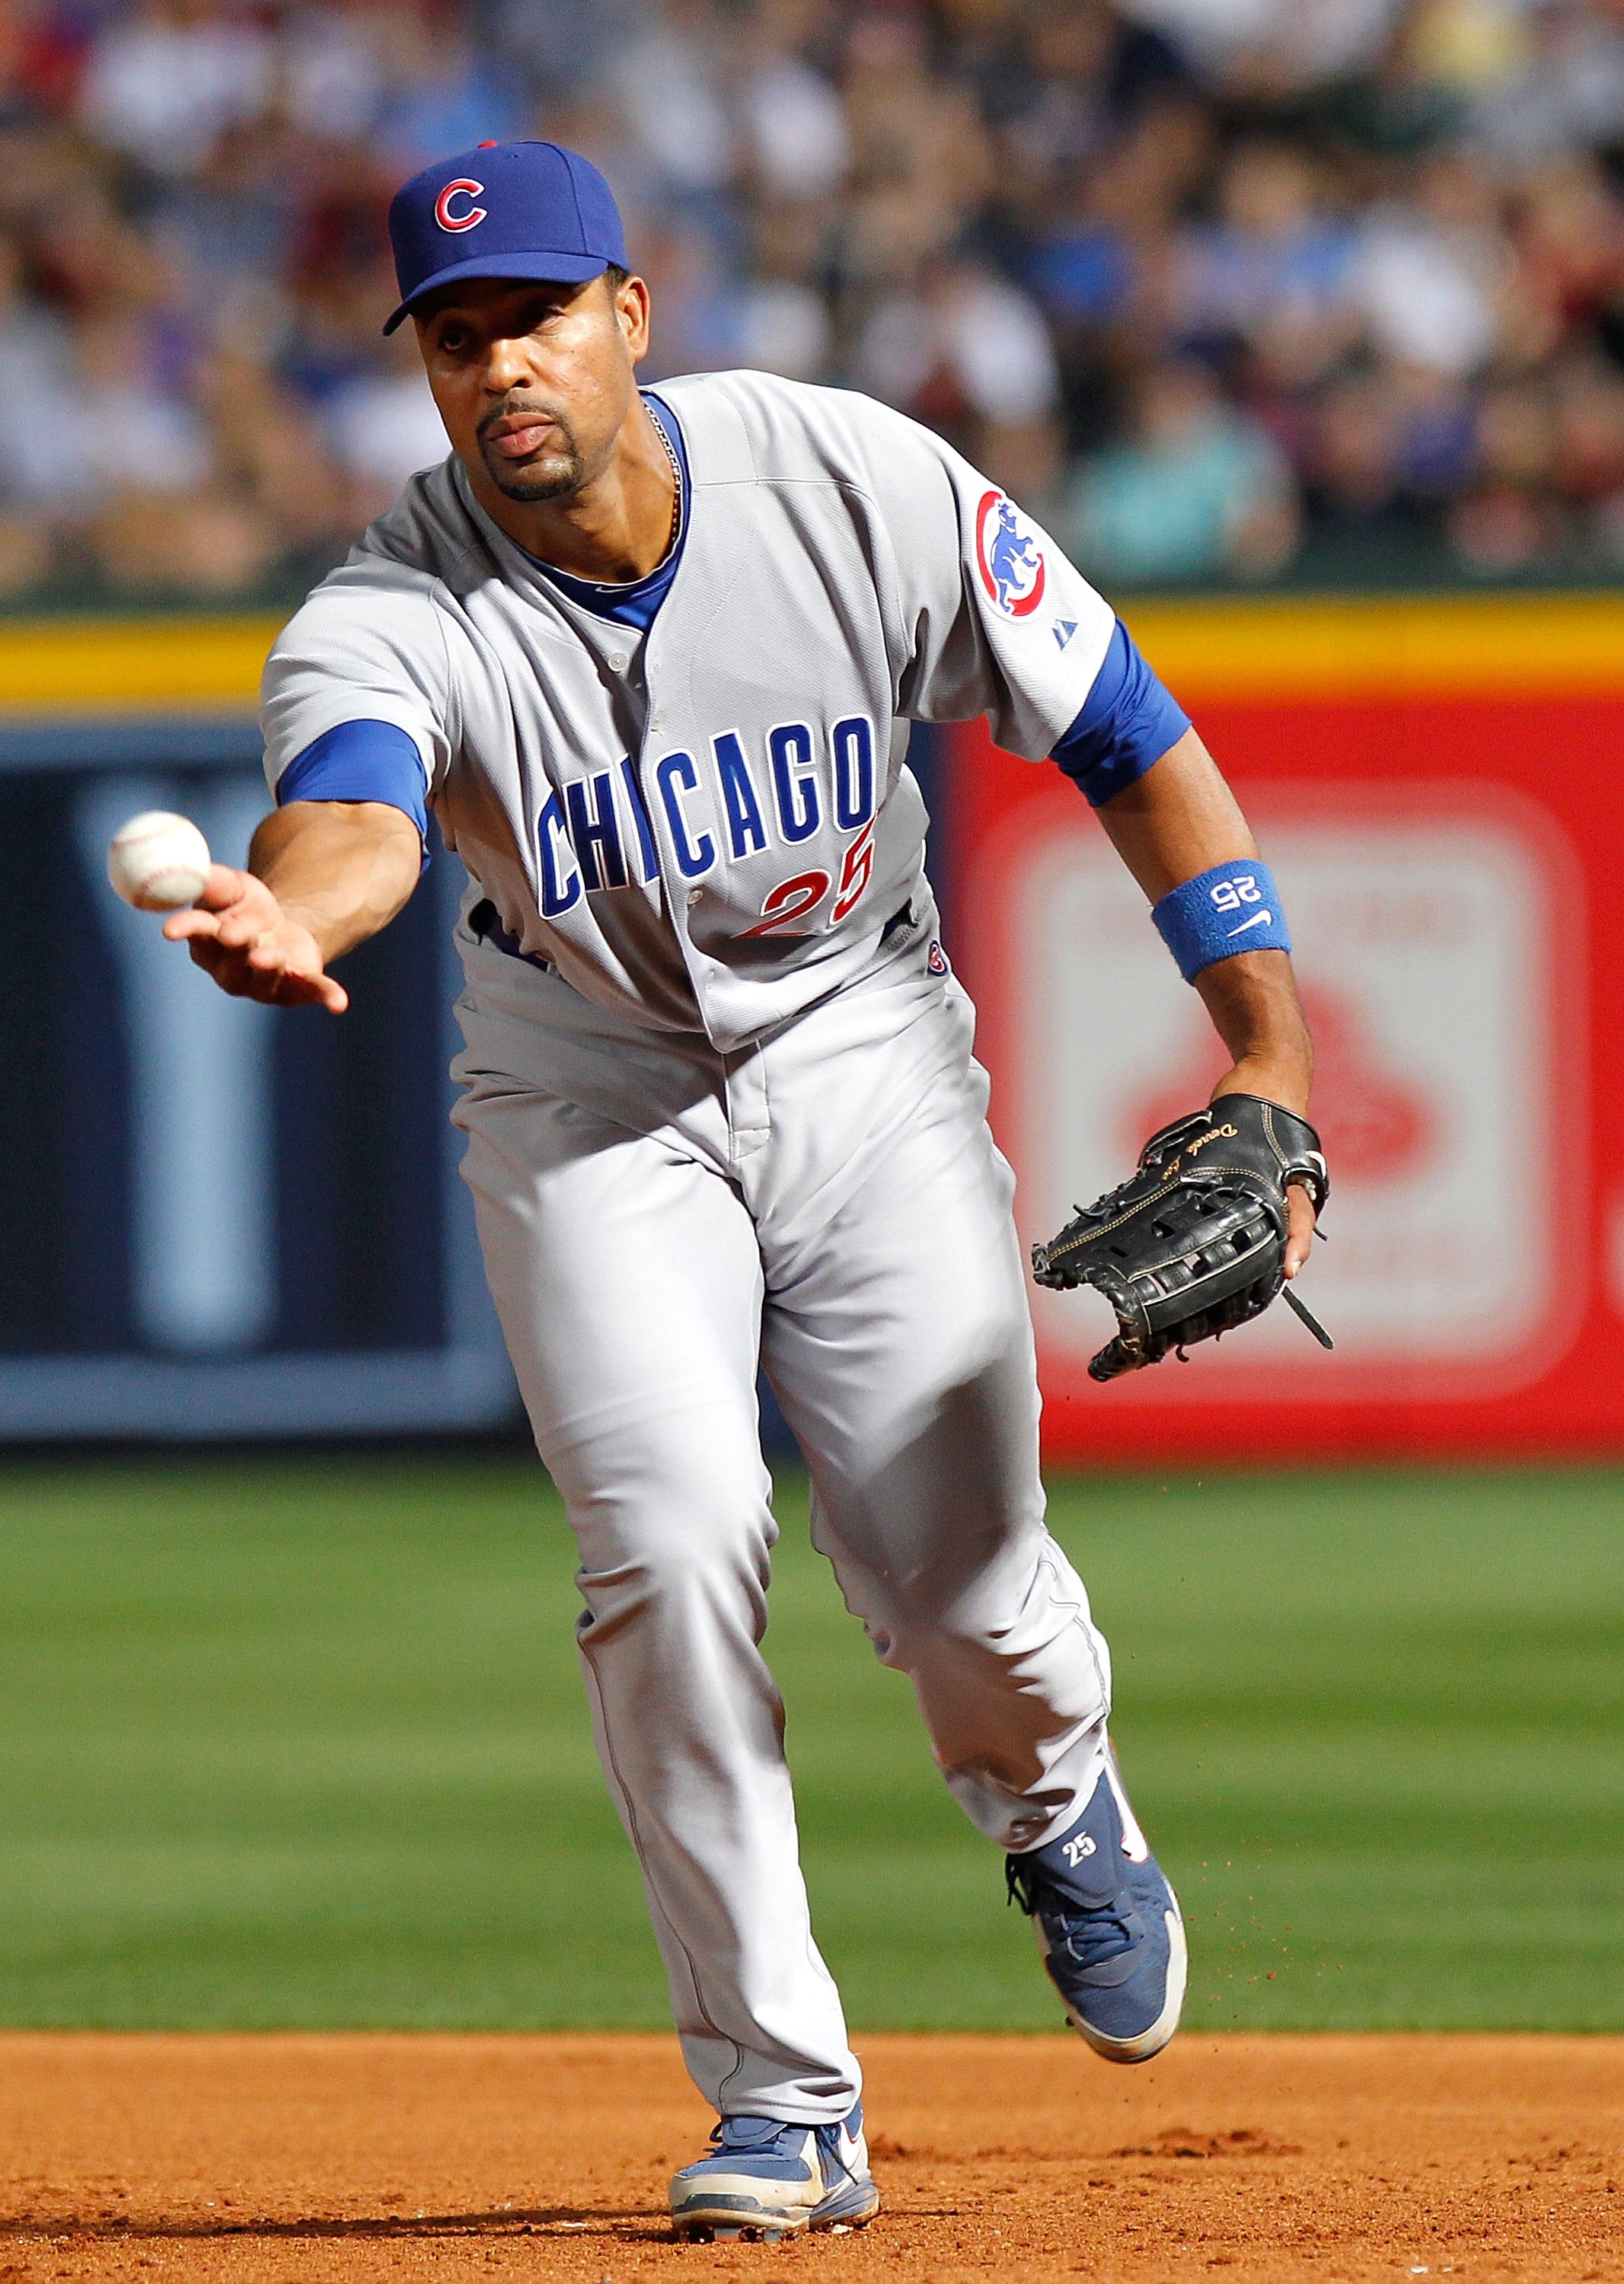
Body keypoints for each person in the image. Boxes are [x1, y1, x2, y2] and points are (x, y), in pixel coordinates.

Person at [164, 139, 1318, 2242]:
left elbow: (1133, 734)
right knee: (669, 1549)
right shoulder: (387, 606)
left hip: (861, 1037)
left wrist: (1267, 1055)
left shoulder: (852, 477)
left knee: (969, 1599)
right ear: (423, 372)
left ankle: (1058, 1799)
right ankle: (784, 2097)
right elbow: (353, 809)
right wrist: (298, 914)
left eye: (530, 313)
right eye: (452, 334)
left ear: (628, 309)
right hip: (584, 1089)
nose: (497, 361)